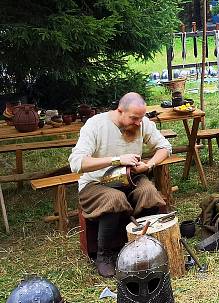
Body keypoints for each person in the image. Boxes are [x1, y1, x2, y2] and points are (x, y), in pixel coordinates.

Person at [69, 92, 172, 277]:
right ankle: (104, 255)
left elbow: (165, 147)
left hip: (130, 178)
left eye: (141, 118)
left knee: (149, 191)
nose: (138, 123)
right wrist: (116, 160)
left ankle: (148, 246)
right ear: (120, 111)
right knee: (115, 198)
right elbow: (77, 163)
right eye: (134, 118)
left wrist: (148, 165)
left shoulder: (141, 122)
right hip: (95, 183)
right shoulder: (96, 125)